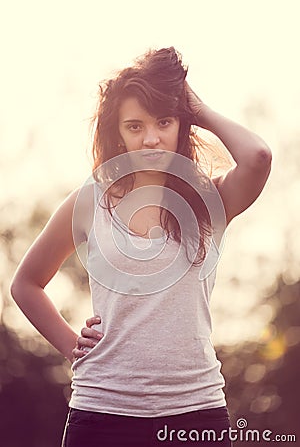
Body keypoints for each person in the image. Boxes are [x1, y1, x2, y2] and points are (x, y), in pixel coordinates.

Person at [10, 47, 272, 446]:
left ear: (181, 124)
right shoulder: (89, 201)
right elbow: (26, 283)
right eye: (135, 126)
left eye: (164, 122)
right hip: (102, 413)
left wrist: (196, 108)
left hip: (195, 412)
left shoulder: (210, 201)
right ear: (117, 132)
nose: (151, 137)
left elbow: (258, 156)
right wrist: (70, 346)